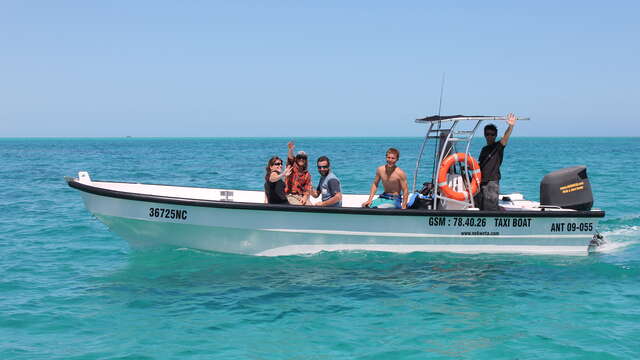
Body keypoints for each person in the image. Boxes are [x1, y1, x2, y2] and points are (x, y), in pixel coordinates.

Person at [476, 113, 517, 211]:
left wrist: (510, 126)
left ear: (495, 135)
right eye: (487, 134)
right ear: (484, 135)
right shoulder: (484, 149)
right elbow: (480, 165)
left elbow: (505, 139)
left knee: (490, 208)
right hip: (481, 182)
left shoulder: (498, 147)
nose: (489, 136)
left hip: (492, 182)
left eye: (492, 134)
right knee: (480, 207)